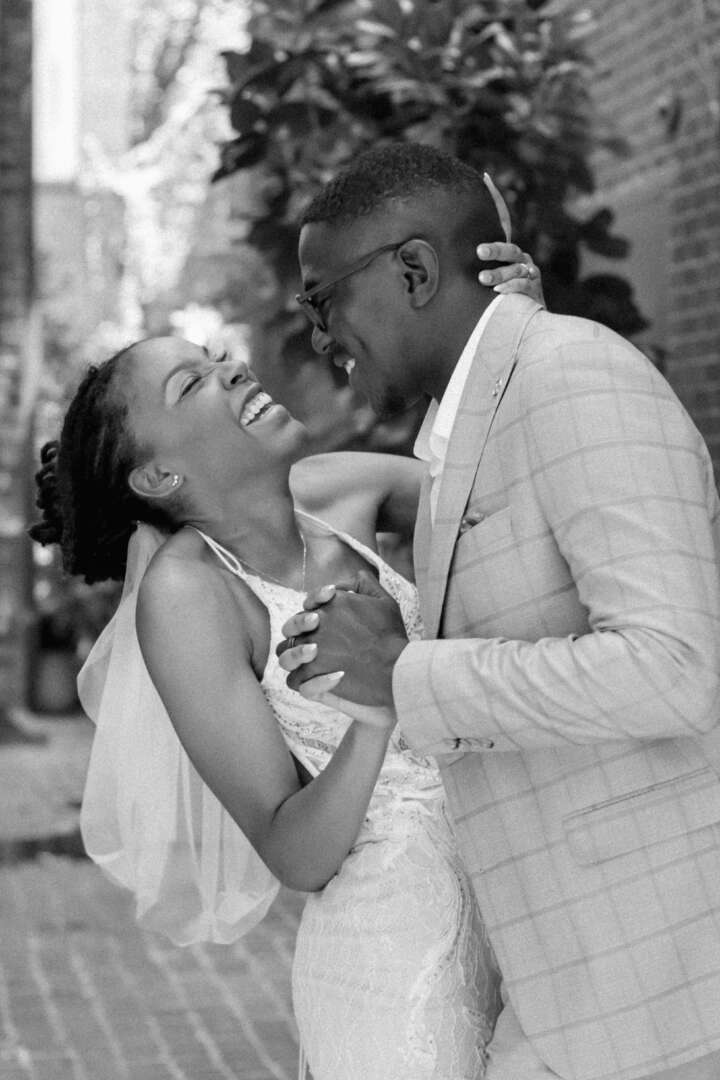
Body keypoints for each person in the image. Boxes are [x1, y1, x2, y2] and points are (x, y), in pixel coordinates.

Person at [29, 238, 540, 1080]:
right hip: (395, 969)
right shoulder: (189, 597)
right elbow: (294, 853)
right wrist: (375, 714)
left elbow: (509, 484)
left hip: (520, 923)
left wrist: (515, 332)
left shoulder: (339, 488)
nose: (232, 370)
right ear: (158, 476)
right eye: (192, 383)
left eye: (216, 358)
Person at [278, 142, 720, 1080]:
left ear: (414, 271)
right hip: (562, 985)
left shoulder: (574, 377)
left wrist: (404, 674)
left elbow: (677, 670)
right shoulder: (473, 421)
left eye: (322, 301)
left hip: (667, 986)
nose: (318, 337)